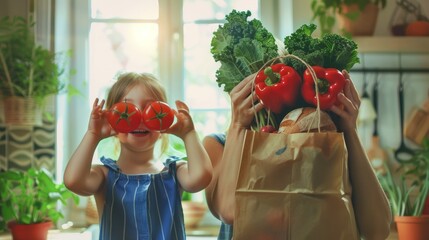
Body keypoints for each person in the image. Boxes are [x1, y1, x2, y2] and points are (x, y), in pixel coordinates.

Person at [203, 71, 392, 240]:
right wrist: (238, 126)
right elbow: (229, 212)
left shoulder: (327, 149)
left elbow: (378, 230)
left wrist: (350, 130)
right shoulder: (219, 144)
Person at [64, 72, 212, 240]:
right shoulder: (104, 175)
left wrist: (189, 134)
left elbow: (202, 178)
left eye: (152, 109)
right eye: (126, 110)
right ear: (112, 119)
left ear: (165, 119)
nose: (139, 117)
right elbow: (73, 181)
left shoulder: (175, 172)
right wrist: (93, 134)